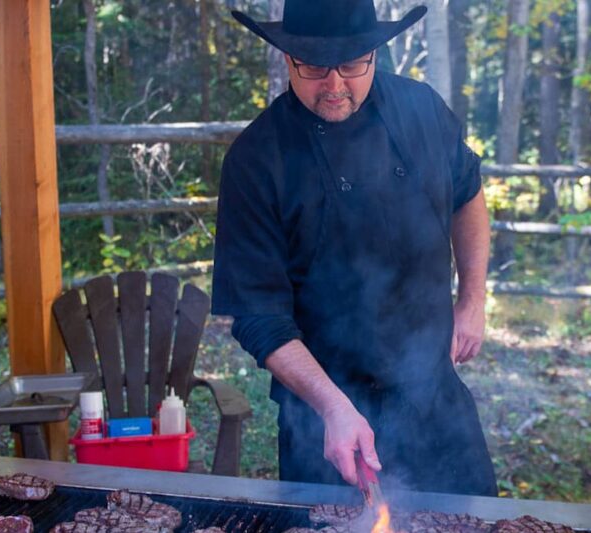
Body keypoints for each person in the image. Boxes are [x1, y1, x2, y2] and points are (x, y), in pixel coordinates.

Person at [212, 0, 497, 496]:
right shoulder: (256, 159)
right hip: (323, 420)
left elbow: (468, 193)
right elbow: (258, 316)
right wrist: (334, 407)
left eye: (352, 64)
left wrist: (473, 299)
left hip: (436, 398)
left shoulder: (421, 109)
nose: (336, 84)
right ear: (287, 59)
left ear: (375, 54)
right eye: (316, 67)